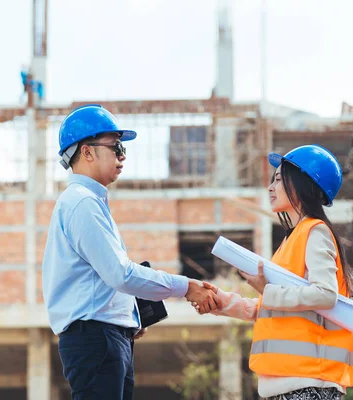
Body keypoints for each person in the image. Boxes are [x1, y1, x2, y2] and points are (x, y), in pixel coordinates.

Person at [42, 104, 222, 400]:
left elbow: (99, 279)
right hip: (96, 339)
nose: (122, 155)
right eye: (116, 147)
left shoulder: (88, 202)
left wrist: (128, 318)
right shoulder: (82, 203)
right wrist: (186, 287)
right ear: (87, 152)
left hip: (105, 336)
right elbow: (120, 274)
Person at [193, 145, 353, 400]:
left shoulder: (315, 232)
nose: (271, 187)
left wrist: (267, 290)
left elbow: (325, 295)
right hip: (290, 386)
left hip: (309, 385)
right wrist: (221, 301)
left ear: (303, 183)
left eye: (279, 180)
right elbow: (268, 306)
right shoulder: (291, 240)